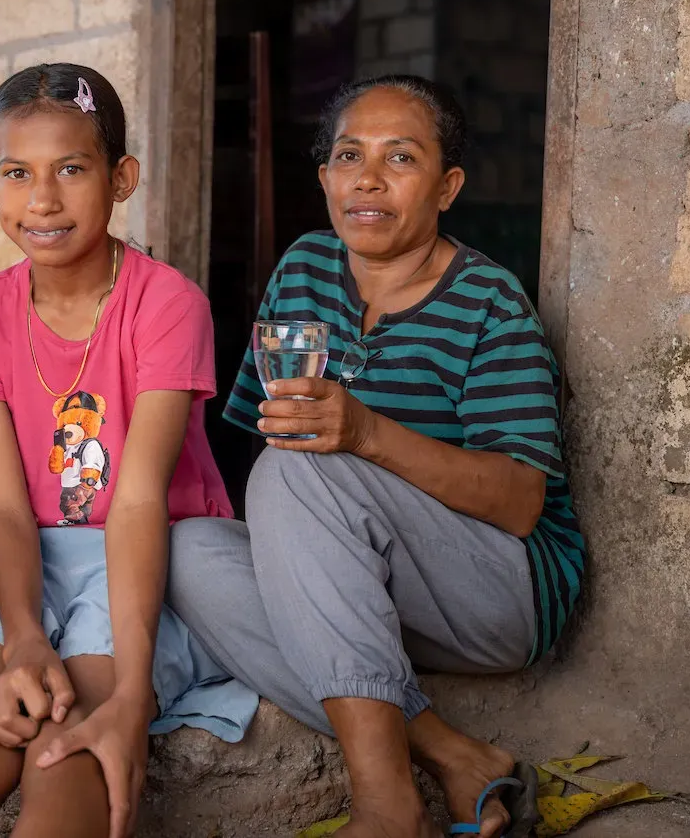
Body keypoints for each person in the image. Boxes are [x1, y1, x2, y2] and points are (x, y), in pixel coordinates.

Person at [167, 75, 585, 838]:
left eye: (401, 158)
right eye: (349, 155)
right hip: (372, 584)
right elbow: (260, 447)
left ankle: (387, 801)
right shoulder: (304, 270)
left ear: (446, 187)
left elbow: (522, 503)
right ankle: (452, 753)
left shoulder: (490, 304)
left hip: (498, 591)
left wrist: (365, 434)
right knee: (189, 549)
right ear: (324, 177)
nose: (368, 178)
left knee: (297, 461)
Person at [0, 63, 257, 838]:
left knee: (67, 747)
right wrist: (20, 637)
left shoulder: (168, 304)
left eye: (72, 170)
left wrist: (131, 687)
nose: (42, 200)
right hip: (25, 565)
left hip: (146, 560)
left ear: (122, 178)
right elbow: (7, 506)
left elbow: (140, 499)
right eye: (17, 174)